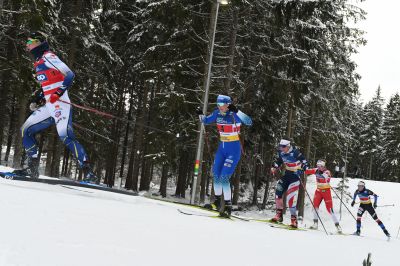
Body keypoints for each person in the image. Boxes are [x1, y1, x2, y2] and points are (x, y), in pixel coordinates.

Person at [13, 32, 98, 183]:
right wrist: (37, 98)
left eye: (30, 42)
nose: (27, 45)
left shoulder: (48, 56)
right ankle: (32, 169)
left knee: (66, 137)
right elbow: (48, 84)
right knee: (26, 130)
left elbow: (70, 75)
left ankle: (89, 173)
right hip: (49, 105)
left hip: (61, 103)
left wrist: (58, 93)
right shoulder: (38, 61)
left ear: (38, 42)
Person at [197, 95, 252, 217]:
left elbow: (249, 121)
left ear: (228, 105)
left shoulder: (234, 115)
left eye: (221, 105)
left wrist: (237, 110)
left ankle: (228, 206)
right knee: (216, 174)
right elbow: (205, 120)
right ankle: (216, 202)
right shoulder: (217, 113)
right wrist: (200, 114)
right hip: (222, 149)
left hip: (233, 150)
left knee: (224, 177)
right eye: (218, 105)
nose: (219, 107)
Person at [270, 138, 308, 228]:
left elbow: (305, 162)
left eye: (283, 147)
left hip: (295, 177)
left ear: (288, 146)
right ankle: (279, 216)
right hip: (287, 175)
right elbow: (279, 161)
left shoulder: (295, 152)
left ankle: (294, 220)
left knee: (290, 198)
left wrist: (302, 169)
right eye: (280, 146)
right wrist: (274, 167)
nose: (281, 148)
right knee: (278, 193)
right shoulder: (281, 152)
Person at [305, 159, 342, 233]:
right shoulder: (316, 170)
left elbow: (326, 178)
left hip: (326, 192)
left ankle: (337, 226)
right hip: (318, 191)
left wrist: (321, 172)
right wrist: (303, 168)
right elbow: (307, 171)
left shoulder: (327, 172)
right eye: (317, 166)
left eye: (320, 166)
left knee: (329, 209)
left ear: (323, 166)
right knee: (315, 207)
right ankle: (315, 224)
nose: (318, 167)